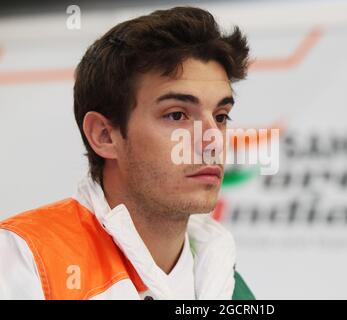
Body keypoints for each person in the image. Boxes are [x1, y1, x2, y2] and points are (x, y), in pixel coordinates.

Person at [0, 6, 254, 300]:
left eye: (221, 117)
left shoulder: (228, 283)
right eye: (176, 115)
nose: (213, 142)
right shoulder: (25, 259)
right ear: (104, 135)